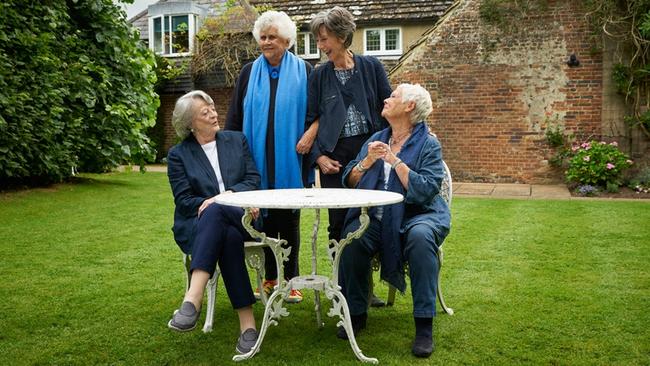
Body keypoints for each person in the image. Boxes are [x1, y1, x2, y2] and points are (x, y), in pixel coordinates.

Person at [337, 84, 451, 358]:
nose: (387, 99)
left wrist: (394, 160)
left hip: (418, 214)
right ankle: (356, 312)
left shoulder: (429, 144)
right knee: (353, 237)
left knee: (421, 238)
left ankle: (424, 325)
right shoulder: (377, 137)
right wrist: (366, 162)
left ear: (410, 106)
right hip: (377, 217)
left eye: (394, 96)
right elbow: (350, 180)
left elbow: (425, 190)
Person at [306, 6, 392, 307]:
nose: (320, 46)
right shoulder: (319, 76)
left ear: (343, 37)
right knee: (338, 224)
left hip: (368, 152)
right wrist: (318, 158)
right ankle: (341, 289)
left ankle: (363, 290)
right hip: (335, 158)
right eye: (318, 40)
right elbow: (310, 120)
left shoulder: (371, 67)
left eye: (324, 39)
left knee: (367, 220)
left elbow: (387, 109)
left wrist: (387, 148)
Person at [226, 10, 314, 304]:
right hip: (256, 162)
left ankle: (291, 281)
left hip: (292, 160)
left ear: (287, 40)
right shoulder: (248, 73)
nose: (266, 42)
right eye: (262, 37)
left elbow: (317, 115)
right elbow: (235, 119)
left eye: (272, 37)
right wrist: (233, 157)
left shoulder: (305, 71)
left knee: (288, 220)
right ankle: (269, 279)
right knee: (262, 220)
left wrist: (310, 134)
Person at [166, 90, 261, 354]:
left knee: (218, 208)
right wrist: (215, 203)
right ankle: (248, 325)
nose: (213, 113)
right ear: (190, 124)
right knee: (227, 237)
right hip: (199, 224)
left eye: (212, 107)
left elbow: (253, 180)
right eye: (204, 112)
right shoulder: (178, 155)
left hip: (243, 215)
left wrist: (225, 197)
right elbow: (185, 200)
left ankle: (192, 299)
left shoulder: (236, 140)